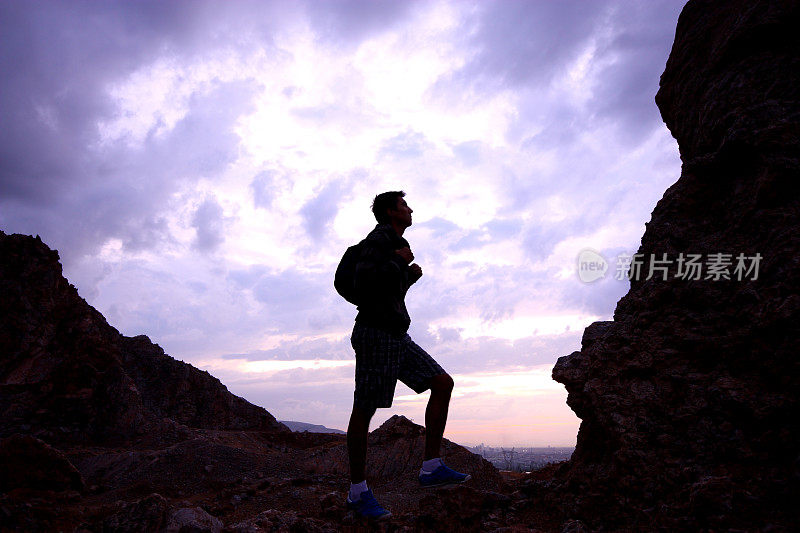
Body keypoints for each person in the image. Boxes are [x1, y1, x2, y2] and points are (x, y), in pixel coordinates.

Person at [345, 191, 470, 520]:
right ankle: (358, 493)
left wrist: (407, 277)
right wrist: (399, 262)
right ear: (390, 211)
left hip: (396, 336)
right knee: (364, 409)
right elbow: (364, 281)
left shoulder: (391, 244)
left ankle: (431, 467)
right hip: (375, 335)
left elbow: (384, 292)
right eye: (404, 205)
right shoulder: (380, 239)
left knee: (442, 383)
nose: (410, 208)